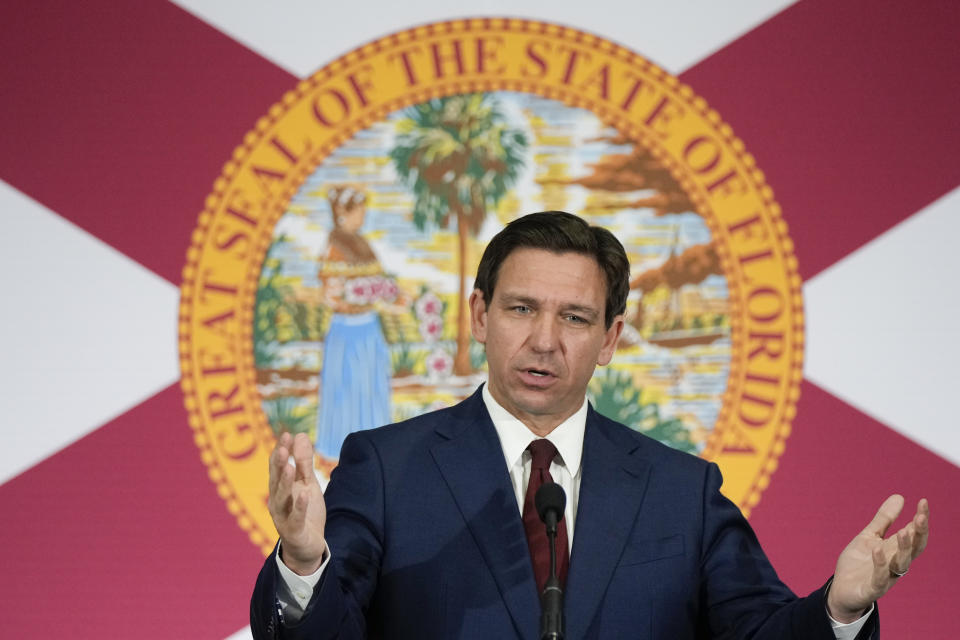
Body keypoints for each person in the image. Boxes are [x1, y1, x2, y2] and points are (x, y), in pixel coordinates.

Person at [252, 211, 929, 639]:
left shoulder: (681, 492)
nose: (544, 341)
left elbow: (761, 634)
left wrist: (840, 610)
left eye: (574, 318)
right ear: (478, 315)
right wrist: (306, 561)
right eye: (520, 309)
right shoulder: (388, 468)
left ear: (610, 338)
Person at [313, 185, 395, 472]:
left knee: (370, 389)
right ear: (342, 214)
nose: (362, 217)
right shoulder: (334, 246)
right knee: (345, 391)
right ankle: (336, 456)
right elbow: (331, 292)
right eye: (358, 211)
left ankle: (376, 455)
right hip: (346, 331)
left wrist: (387, 296)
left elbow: (380, 282)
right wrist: (352, 298)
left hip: (369, 329)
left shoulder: (363, 244)